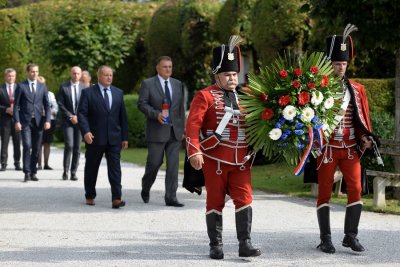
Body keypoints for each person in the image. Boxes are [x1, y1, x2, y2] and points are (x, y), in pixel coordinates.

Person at [185, 36, 261, 259]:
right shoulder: (205, 96)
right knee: (215, 201)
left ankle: (245, 243)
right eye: (227, 74)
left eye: (234, 74)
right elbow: (192, 126)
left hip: (241, 160)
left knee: (245, 199)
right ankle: (215, 245)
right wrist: (195, 151)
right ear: (217, 75)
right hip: (215, 159)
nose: (232, 78)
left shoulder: (247, 97)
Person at [313, 24, 377, 254]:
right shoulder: (317, 87)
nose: (341, 67)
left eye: (343, 63)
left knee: (356, 189)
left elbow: (361, 119)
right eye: (337, 63)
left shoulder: (357, 89)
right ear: (329, 64)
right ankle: (325, 238)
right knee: (324, 192)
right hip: (327, 149)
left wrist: (365, 139)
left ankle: (351, 236)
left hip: (350, 148)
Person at [78, 65, 128, 209]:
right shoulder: (88, 93)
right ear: (99, 76)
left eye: (110, 75)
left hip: (114, 139)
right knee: (92, 168)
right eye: (106, 75)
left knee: (115, 169)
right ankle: (89, 195)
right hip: (94, 138)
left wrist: (124, 137)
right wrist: (86, 131)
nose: (109, 78)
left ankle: (116, 198)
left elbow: (122, 117)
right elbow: (82, 114)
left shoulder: (118, 93)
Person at [137, 56, 185, 207]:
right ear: (158, 68)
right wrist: (155, 114)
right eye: (165, 66)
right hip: (156, 131)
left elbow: (180, 109)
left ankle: (171, 197)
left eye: (170, 67)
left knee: (173, 166)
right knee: (154, 163)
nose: (168, 69)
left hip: (174, 132)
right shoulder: (148, 83)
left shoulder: (178, 84)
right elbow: (142, 104)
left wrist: (183, 128)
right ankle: (146, 186)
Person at [13, 63, 51, 182]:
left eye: (37, 71)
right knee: (27, 146)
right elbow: (16, 106)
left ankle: (33, 172)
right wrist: (17, 121)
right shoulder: (21, 86)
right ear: (28, 72)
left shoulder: (42, 86)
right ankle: (26, 172)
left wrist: (48, 120)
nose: (35, 74)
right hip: (25, 122)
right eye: (32, 71)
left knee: (36, 148)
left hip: (39, 122)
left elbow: (47, 105)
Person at [58, 66, 84, 180]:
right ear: (70, 73)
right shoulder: (64, 87)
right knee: (69, 145)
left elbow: (86, 106)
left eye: (78, 73)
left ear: (81, 74)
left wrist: (78, 117)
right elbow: (60, 104)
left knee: (77, 148)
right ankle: (65, 170)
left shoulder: (85, 88)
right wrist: (70, 116)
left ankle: (73, 172)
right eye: (74, 73)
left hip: (80, 121)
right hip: (67, 121)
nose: (76, 75)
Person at [0, 68, 21, 171]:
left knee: (17, 142)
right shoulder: (0, 88)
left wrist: (17, 110)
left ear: (15, 77)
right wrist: (5, 109)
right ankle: (3, 164)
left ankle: (17, 163)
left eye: (13, 76)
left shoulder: (20, 88)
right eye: (9, 76)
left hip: (17, 120)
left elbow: (24, 103)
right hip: (4, 120)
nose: (11, 78)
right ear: (5, 77)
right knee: (4, 142)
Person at [37, 76, 58, 170]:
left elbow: (55, 107)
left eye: (43, 83)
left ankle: (46, 164)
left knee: (47, 143)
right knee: (38, 143)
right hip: (37, 120)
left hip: (49, 120)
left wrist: (49, 112)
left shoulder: (50, 94)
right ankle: (39, 164)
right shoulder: (34, 93)